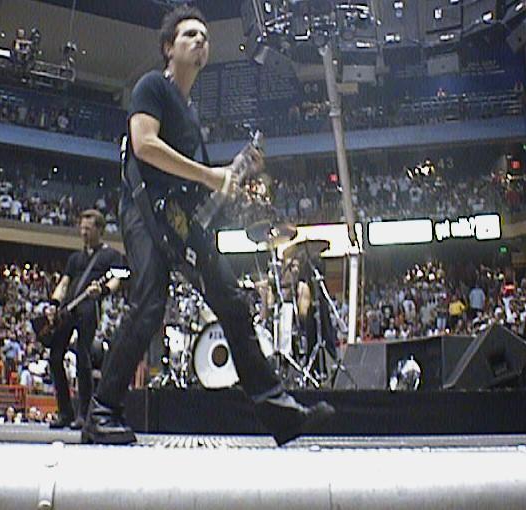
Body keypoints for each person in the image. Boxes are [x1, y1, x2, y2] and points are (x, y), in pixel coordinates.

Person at [83, 6, 334, 446]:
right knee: (149, 304)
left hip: (179, 219)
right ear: (169, 47)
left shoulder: (191, 113)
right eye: (189, 34)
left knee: (232, 302)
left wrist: (231, 177)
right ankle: (101, 412)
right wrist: (211, 175)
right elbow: (144, 145)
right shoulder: (151, 86)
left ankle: (280, 414)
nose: (201, 39)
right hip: (145, 211)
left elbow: (196, 184)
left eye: (204, 35)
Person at [45, 209, 124, 430]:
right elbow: (64, 282)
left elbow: (118, 279)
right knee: (55, 357)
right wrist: (54, 303)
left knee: (83, 357)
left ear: (100, 230)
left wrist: (102, 291)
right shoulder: (75, 258)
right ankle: (65, 412)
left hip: (89, 307)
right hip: (68, 308)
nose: (83, 233)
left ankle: (84, 413)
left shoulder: (111, 256)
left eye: (88, 229)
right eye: (82, 228)